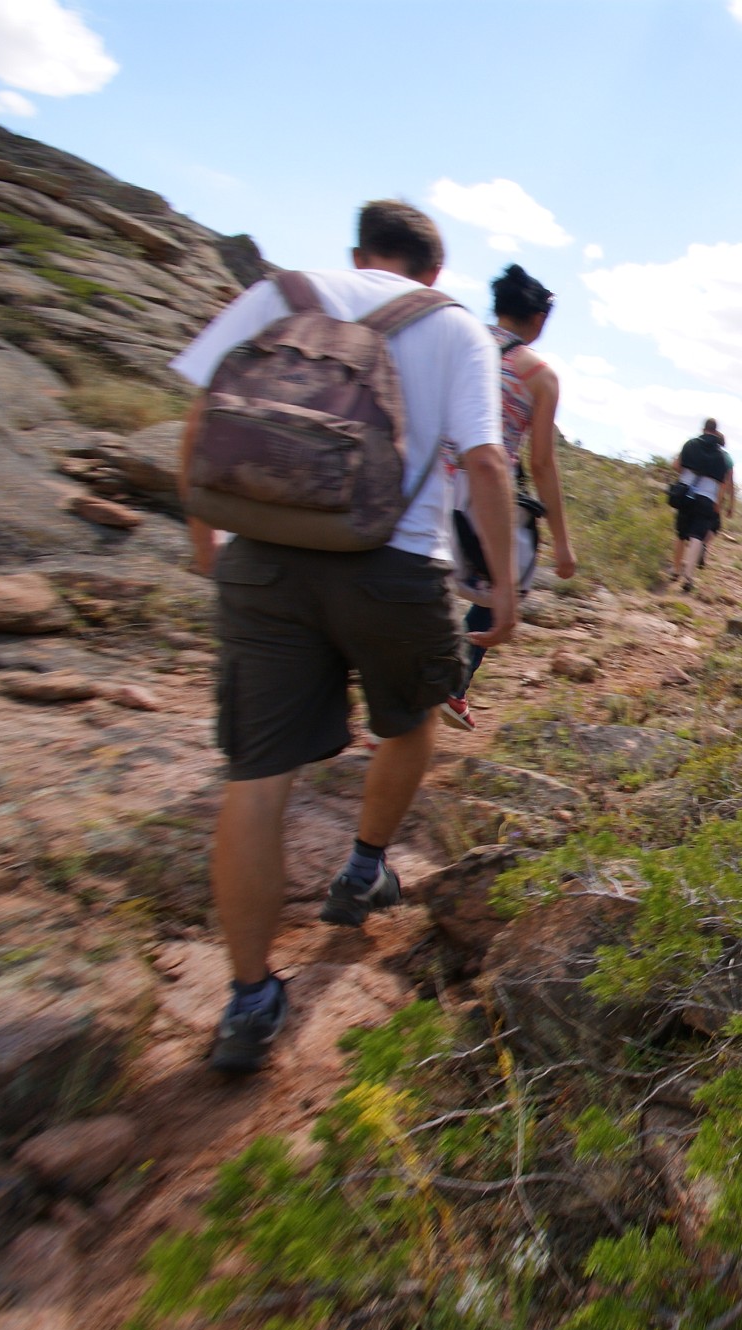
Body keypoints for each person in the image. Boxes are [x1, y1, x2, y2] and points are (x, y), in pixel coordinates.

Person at [169, 200, 516, 1074]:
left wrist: (206, 538)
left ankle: (248, 1000)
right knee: (410, 720)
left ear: (359, 253)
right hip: (395, 564)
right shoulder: (454, 329)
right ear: (433, 270)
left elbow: (205, 415)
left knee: (256, 777)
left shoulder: (281, 293)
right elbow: (484, 462)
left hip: (263, 558)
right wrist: (503, 588)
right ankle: (363, 869)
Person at [440, 264, 578, 731]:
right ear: (539, 319)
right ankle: (451, 683)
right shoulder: (538, 375)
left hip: (420, 478)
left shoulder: (455, 340)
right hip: (479, 489)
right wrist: (561, 543)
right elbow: (541, 463)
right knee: (505, 581)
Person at [669, 417, 734, 591]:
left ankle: (675, 570)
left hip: (685, 493)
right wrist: (718, 504)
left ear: (703, 428)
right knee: (697, 537)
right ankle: (689, 577)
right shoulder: (722, 457)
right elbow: (723, 484)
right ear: (716, 432)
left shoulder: (690, 444)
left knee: (681, 533)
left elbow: (676, 466)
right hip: (707, 499)